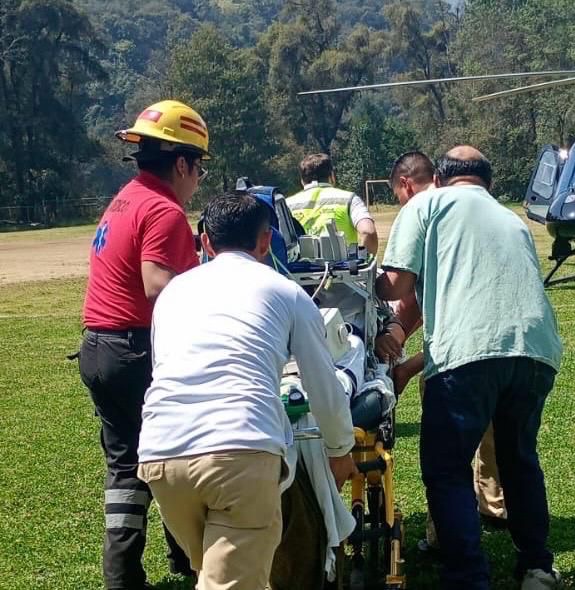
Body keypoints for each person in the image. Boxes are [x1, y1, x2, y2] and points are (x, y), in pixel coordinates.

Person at [137, 193, 357, 589]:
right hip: (240, 453)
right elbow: (323, 384)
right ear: (264, 241)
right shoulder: (286, 292)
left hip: (160, 455)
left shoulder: (172, 294)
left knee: (214, 573)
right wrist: (340, 451)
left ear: (205, 242)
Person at [376, 146, 564, 589]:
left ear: (438, 178)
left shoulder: (425, 204)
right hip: (536, 353)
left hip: (469, 362)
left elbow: (397, 285)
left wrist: (363, 277)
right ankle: (537, 567)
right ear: (489, 182)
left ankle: (468, 576)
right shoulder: (512, 220)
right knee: (519, 461)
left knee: (446, 469)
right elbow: (484, 309)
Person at [78, 99, 209, 589]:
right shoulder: (164, 210)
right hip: (134, 349)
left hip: (98, 347)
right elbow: (157, 283)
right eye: (198, 168)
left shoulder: (125, 198)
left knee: (128, 467)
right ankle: (174, 563)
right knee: (172, 455)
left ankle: (138, 570)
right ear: (182, 163)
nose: (198, 179)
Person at [377, 151, 508, 553]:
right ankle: (493, 506)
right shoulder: (480, 207)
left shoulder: (424, 208)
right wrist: (401, 328)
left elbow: (400, 284)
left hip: (466, 351)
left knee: (445, 459)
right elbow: (423, 292)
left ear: (405, 185)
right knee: (497, 435)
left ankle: (446, 534)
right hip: (512, 347)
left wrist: (373, 294)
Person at [286, 152, 379, 255]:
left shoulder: (286, 205)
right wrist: (361, 263)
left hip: (297, 269)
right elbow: (368, 231)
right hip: (344, 269)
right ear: (332, 176)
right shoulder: (349, 198)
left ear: (302, 181)